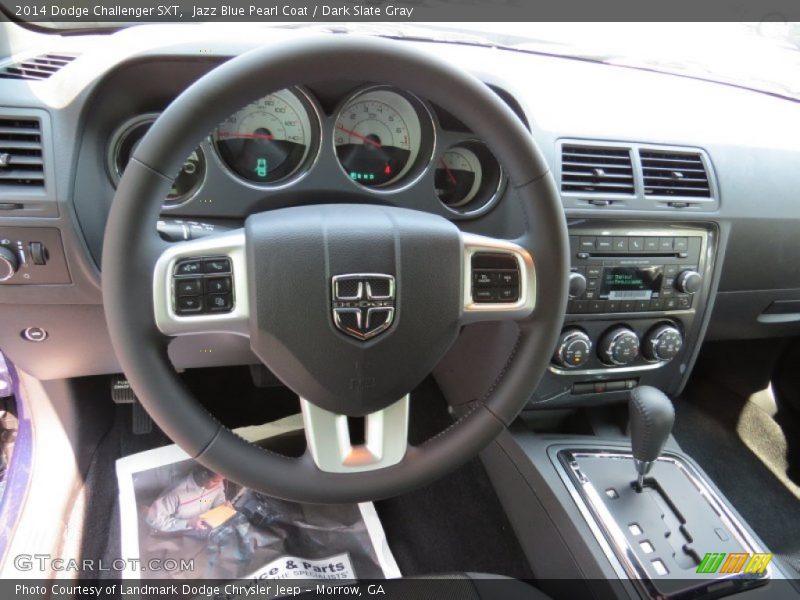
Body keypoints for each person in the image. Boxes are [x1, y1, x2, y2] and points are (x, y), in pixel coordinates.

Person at [145, 466, 226, 537]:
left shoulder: (217, 483)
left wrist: (224, 506)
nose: (219, 484)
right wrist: (187, 523)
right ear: (204, 475)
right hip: (180, 536)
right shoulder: (175, 493)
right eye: (215, 481)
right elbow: (153, 519)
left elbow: (209, 499)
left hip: (207, 532)